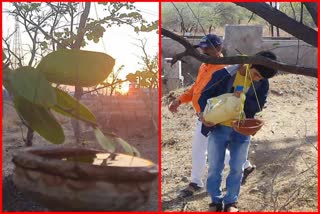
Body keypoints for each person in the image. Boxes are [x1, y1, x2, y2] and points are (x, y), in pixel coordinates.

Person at [168, 34, 255, 198]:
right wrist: (179, 100)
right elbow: (196, 88)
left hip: (213, 116)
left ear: (219, 49)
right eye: (203, 48)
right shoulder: (205, 65)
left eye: (208, 48)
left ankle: (195, 183)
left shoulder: (226, 68)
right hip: (202, 115)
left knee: (200, 149)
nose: (204, 51)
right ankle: (245, 166)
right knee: (209, 147)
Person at [197, 51, 278, 212]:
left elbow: (259, 105)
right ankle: (215, 201)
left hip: (242, 129)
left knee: (237, 167)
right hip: (218, 127)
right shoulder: (225, 74)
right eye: (255, 75)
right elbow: (204, 96)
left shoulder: (262, 83)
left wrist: (240, 100)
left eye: (260, 79)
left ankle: (231, 203)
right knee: (215, 167)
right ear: (250, 64)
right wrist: (202, 114)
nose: (257, 79)